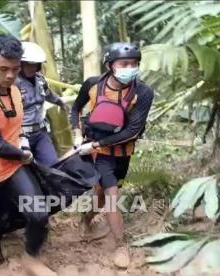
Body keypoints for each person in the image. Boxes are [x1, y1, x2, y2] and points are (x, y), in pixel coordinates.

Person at [0, 34, 56, 276]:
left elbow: (15, 129)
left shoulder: (14, 90)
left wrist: (23, 142)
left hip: (11, 165)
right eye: (3, 69)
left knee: (38, 213)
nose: (10, 75)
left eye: (15, 69)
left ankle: (31, 257)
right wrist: (25, 155)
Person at [70, 42, 154, 268]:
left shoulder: (143, 92)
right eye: (124, 63)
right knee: (111, 194)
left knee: (102, 194)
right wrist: (78, 134)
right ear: (110, 65)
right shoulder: (93, 85)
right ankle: (120, 245)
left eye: (134, 64)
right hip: (101, 153)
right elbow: (76, 109)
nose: (130, 67)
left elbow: (133, 130)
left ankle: (86, 219)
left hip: (123, 151)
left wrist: (95, 144)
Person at [16, 42, 68, 167]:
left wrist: (61, 103)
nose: (31, 68)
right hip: (20, 134)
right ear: (21, 64)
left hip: (40, 132)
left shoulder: (40, 80)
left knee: (52, 165)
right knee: (26, 170)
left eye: (35, 65)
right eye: (28, 64)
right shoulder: (13, 83)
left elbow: (49, 94)